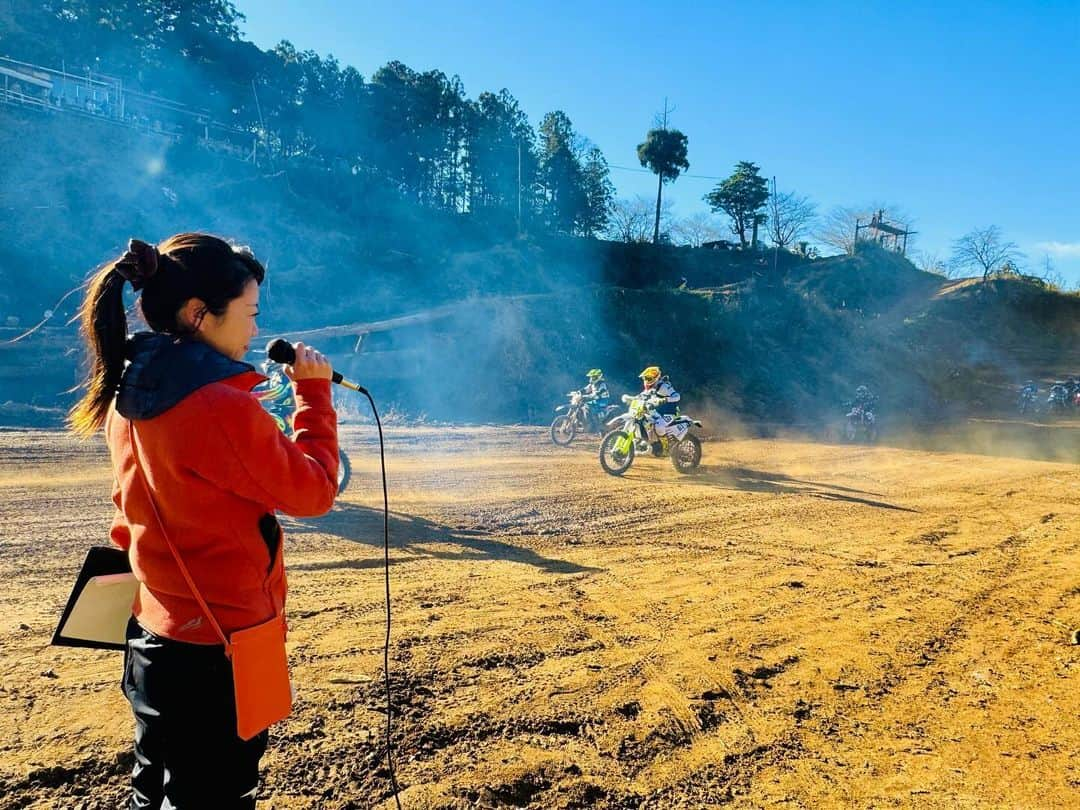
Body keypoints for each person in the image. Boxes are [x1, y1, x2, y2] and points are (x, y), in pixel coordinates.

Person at [68, 233, 339, 808]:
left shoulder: (129, 392)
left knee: (157, 785)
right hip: (222, 648)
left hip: (151, 633)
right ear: (198, 315)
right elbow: (315, 490)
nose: (253, 332)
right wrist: (314, 399)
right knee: (217, 793)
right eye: (249, 314)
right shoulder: (221, 407)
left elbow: (129, 509)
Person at [638, 365, 681, 442]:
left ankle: (665, 446)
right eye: (644, 378)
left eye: (648, 378)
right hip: (658, 413)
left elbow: (677, 396)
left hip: (670, 413)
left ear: (656, 378)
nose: (646, 381)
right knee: (643, 420)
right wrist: (629, 398)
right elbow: (640, 396)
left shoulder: (663, 386)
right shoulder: (651, 388)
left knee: (659, 426)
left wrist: (665, 399)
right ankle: (649, 442)